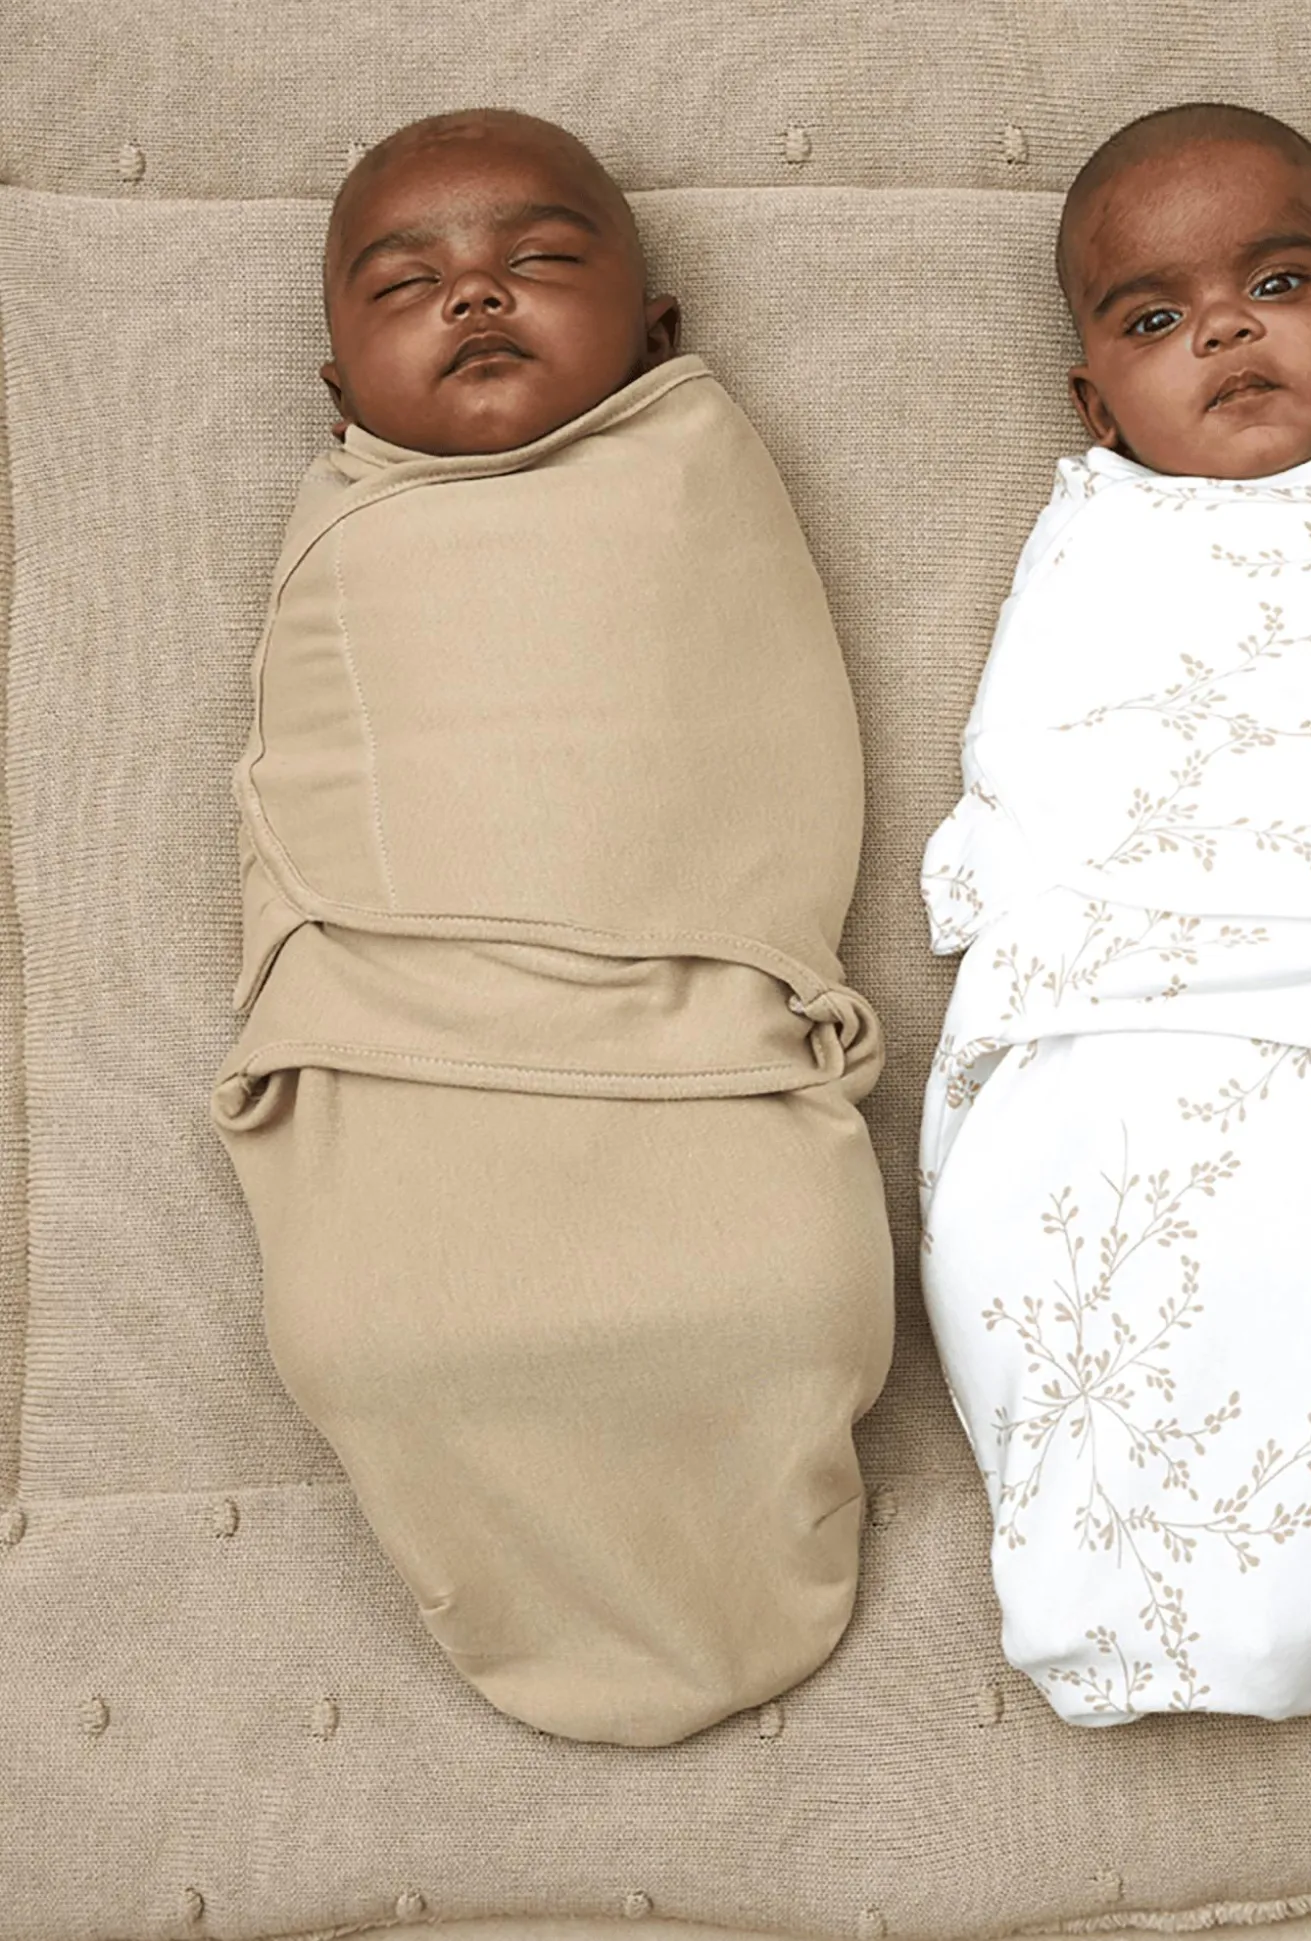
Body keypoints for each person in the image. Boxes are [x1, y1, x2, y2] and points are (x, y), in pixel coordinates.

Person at [212, 109, 894, 1747]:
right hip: (403, 1054)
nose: (474, 294)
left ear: (657, 334)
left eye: (537, 259)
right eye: (408, 284)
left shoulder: (695, 483)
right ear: (336, 392)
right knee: (382, 1331)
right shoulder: (352, 536)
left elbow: (756, 750)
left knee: (781, 1293)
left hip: (697, 1041)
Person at [918, 103, 1311, 1725]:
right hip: (1109, 1010)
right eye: (1155, 319)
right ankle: (1078, 1566)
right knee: (1052, 1250)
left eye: (1276, 284)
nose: (1224, 329)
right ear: (1096, 403)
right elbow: (1036, 747)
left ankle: (1301, 1592)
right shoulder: (1097, 549)